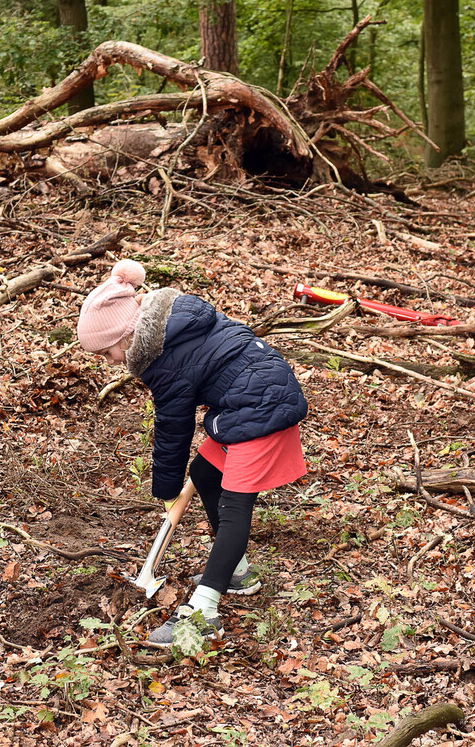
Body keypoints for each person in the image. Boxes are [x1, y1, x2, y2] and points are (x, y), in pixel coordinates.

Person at [77, 260, 309, 647]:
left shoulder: (166, 359)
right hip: (248, 399)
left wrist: (166, 489)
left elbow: (173, 428)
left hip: (261, 407)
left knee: (236, 506)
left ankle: (205, 612)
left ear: (124, 336)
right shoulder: (173, 325)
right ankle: (237, 572)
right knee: (204, 473)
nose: (111, 362)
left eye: (106, 353)